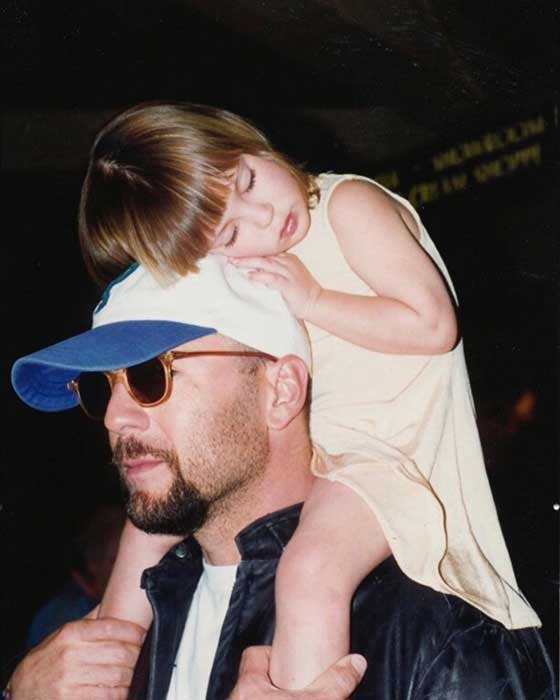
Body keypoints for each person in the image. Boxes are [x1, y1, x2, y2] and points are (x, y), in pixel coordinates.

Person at [77, 101, 539, 688]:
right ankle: (103, 662)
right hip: (333, 455)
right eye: (233, 233)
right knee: (146, 523)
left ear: (249, 140)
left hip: (389, 455)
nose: (265, 215)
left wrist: (315, 301)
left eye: (246, 179)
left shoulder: (348, 205)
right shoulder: (257, 262)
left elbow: (434, 326)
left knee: (310, 572)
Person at [9, 258, 556, 700]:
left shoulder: (436, 633)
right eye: (102, 389)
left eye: (151, 376)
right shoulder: (126, 626)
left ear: (282, 390)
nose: (114, 418)